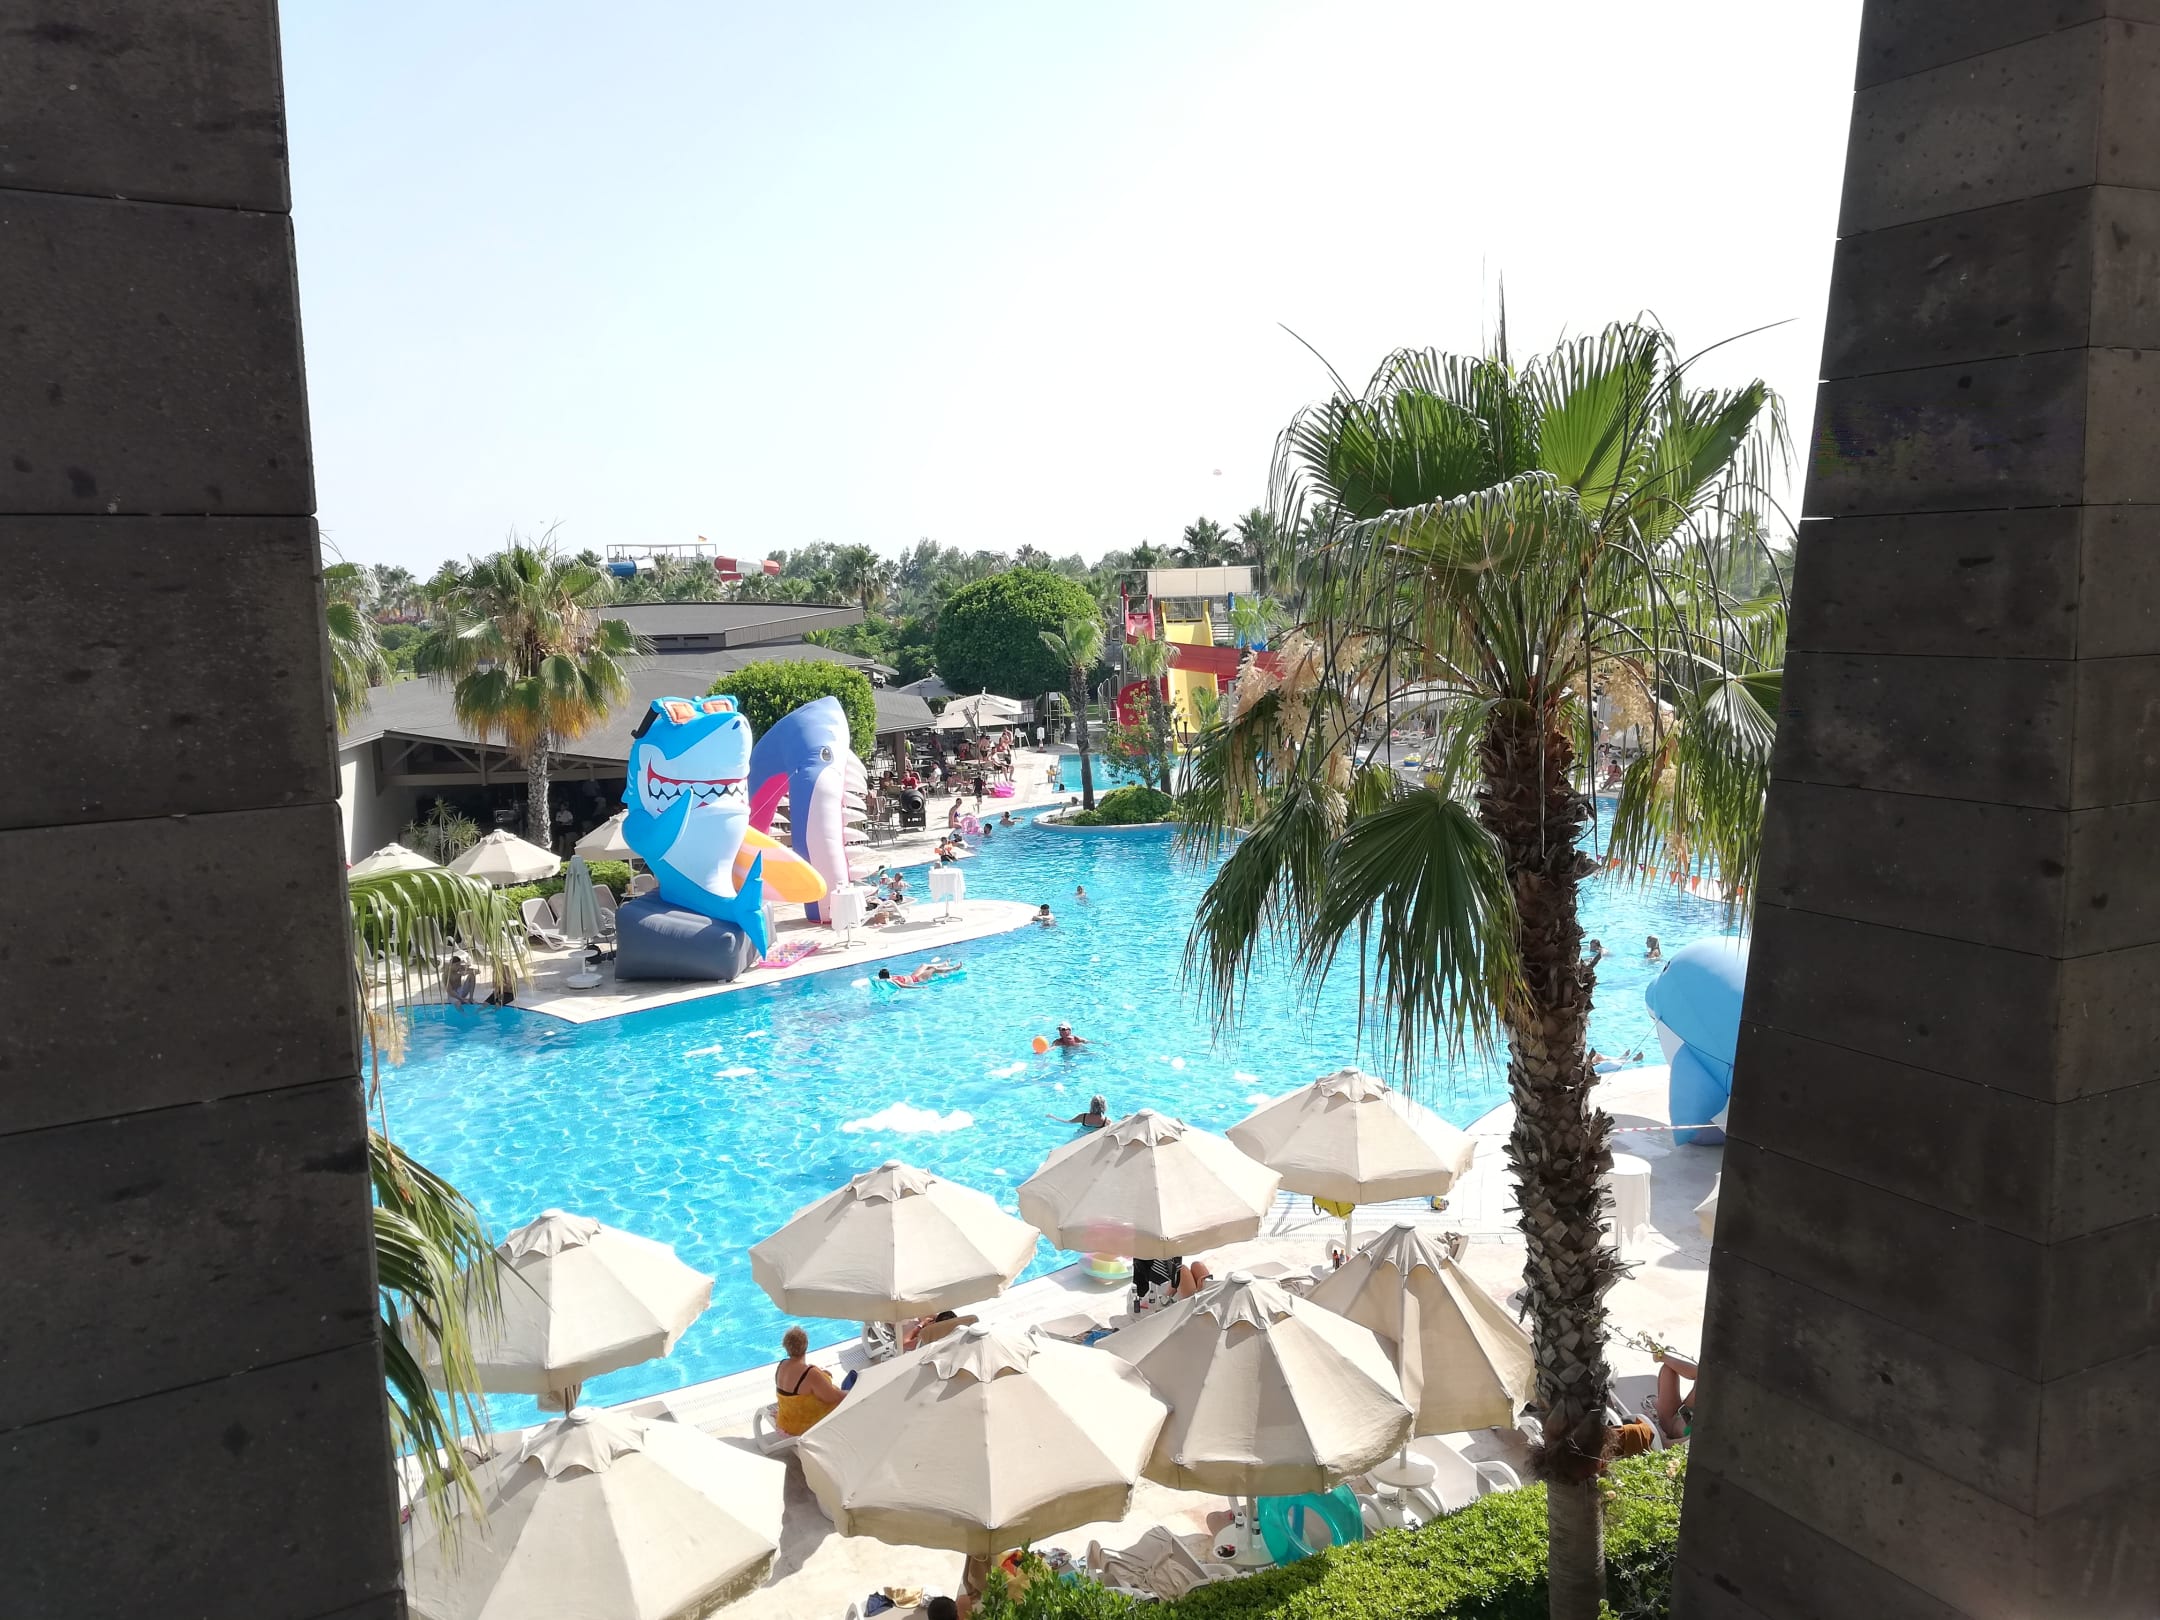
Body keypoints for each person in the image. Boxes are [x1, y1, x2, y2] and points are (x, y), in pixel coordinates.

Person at [773, 1325, 848, 1436]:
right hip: (805, 1427)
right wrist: (852, 1392)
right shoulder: (810, 1374)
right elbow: (833, 1398)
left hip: (786, 1422)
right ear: (806, 1345)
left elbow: (797, 1384)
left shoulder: (782, 1365)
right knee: (848, 1391)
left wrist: (820, 1374)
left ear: (786, 1347)